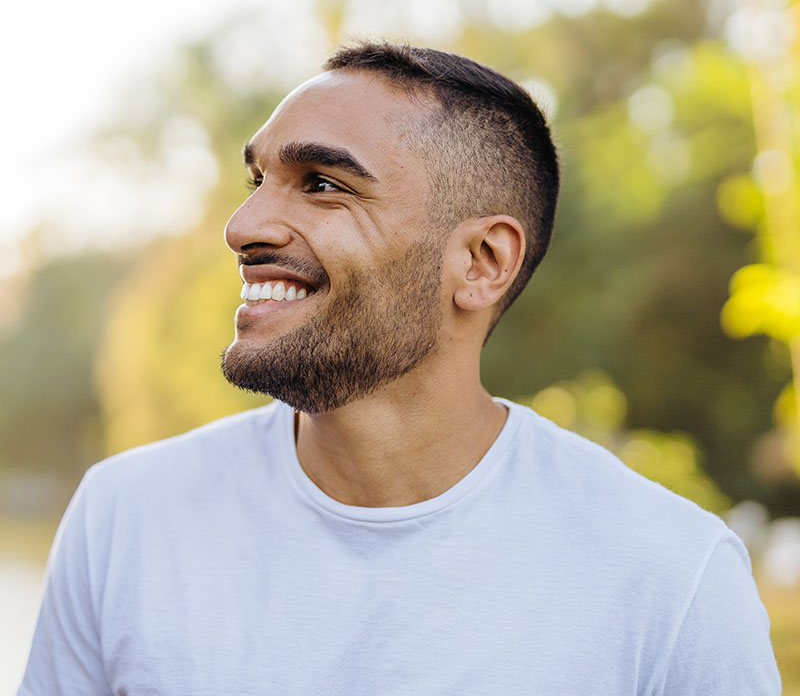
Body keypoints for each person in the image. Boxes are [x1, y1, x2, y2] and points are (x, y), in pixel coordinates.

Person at [19, 42, 779, 695]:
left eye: (322, 184)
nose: (242, 227)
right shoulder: (126, 517)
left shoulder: (672, 578)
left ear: (482, 262)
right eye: (259, 181)